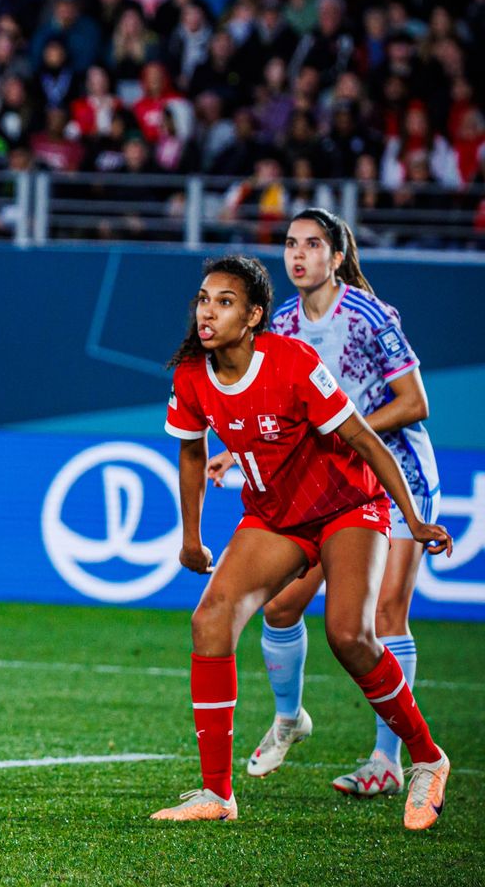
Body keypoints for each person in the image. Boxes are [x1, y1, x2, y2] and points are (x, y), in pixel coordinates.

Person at [156, 253, 453, 830]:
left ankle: (427, 760)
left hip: (348, 505)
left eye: (224, 302)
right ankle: (217, 794)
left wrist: (412, 519)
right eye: (202, 300)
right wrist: (191, 538)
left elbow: (363, 437)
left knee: (349, 635)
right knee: (210, 620)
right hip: (275, 517)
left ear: (254, 316)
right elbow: (191, 453)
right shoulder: (192, 374)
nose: (207, 312)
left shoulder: (293, 361)